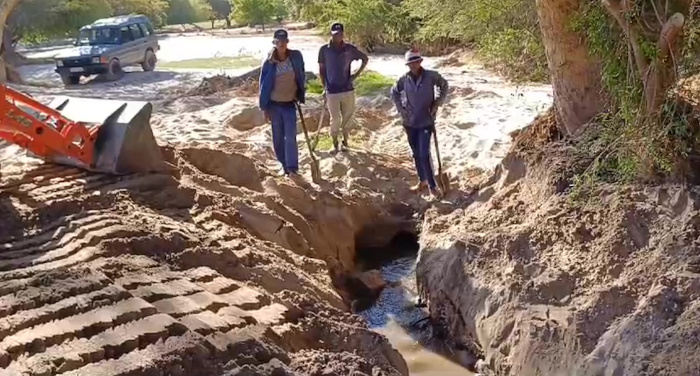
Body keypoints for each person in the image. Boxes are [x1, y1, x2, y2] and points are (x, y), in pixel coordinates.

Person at [390, 49, 449, 197]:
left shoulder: (430, 76)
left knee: (424, 153)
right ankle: (422, 180)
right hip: (409, 122)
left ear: (420, 62)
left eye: (415, 62)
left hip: (426, 121)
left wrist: (437, 103)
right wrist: (401, 110)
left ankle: (432, 185)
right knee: (416, 154)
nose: (413, 65)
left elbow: (444, 85)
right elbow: (394, 92)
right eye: (410, 63)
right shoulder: (404, 79)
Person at [259, 29, 306, 178]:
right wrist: (264, 107)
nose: (282, 44)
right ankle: (283, 165)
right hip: (274, 105)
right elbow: (263, 85)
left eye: (284, 41)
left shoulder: (295, 57)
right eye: (278, 42)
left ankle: (292, 168)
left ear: (287, 42)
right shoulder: (269, 62)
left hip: (289, 104)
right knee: (278, 137)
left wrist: (300, 93)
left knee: (291, 136)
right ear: (274, 43)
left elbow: (301, 73)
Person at [318, 22, 369, 153]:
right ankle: (334, 143)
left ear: (343, 34)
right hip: (332, 90)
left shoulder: (349, 49)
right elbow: (322, 70)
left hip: (347, 89)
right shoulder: (324, 50)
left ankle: (345, 142)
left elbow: (365, 58)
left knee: (347, 117)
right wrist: (324, 87)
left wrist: (355, 75)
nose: (337, 36)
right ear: (331, 34)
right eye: (335, 34)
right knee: (335, 119)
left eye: (340, 34)